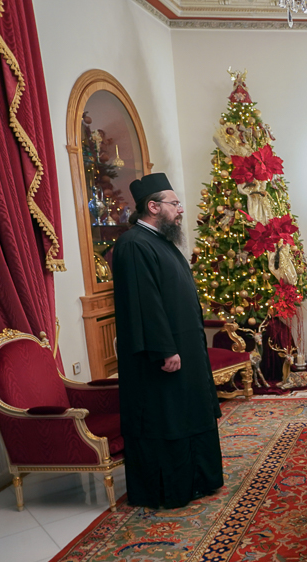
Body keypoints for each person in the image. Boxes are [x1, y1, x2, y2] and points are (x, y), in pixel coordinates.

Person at [112, 172, 224, 509]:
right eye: (175, 203)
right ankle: (172, 488)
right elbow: (145, 304)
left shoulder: (160, 241)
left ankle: (198, 480)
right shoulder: (134, 244)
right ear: (153, 206)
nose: (181, 209)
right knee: (169, 417)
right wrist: (165, 349)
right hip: (162, 357)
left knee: (189, 413)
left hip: (184, 348)